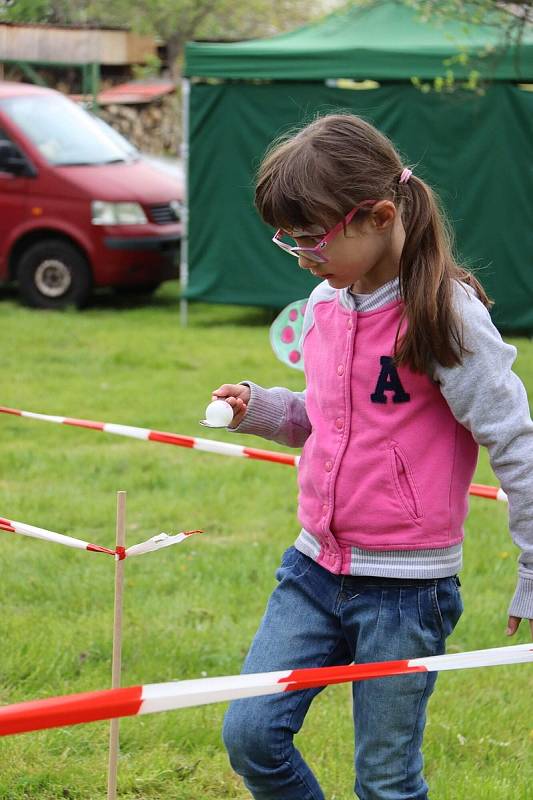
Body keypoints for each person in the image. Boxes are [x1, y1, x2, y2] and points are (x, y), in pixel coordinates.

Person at [212, 114, 533, 800]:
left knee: (386, 782)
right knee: (249, 735)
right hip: (310, 571)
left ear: (379, 215)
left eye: (311, 237)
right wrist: (262, 409)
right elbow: (320, 419)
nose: (300, 254)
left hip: (404, 594)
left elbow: (515, 442)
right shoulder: (324, 307)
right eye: (287, 238)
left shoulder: (445, 314)